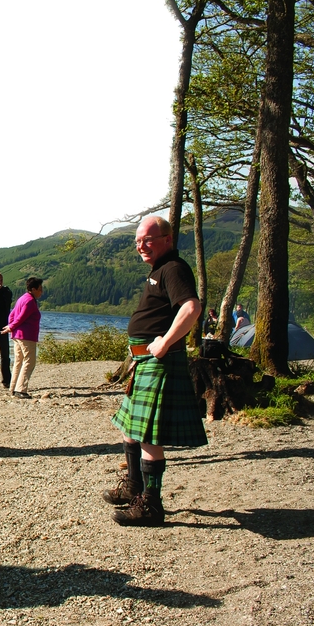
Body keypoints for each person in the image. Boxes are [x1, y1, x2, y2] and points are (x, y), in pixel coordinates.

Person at [103, 215, 206, 527]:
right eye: (138, 241)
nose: (141, 246)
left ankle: (151, 505)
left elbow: (191, 307)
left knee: (148, 438)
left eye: (148, 239)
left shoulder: (173, 268)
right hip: (144, 362)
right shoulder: (159, 269)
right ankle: (133, 487)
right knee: (130, 429)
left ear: (167, 239)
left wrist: (165, 341)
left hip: (158, 362)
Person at [2, 277, 43, 399]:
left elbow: (12, 315)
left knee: (19, 361)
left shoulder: (22, 298)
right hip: (26, 336)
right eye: (40, 289)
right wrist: (11, 327)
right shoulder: (30, 301)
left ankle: (13, 387)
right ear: (33, 289)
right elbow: (21, 317)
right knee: (29, 361)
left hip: (18, 336)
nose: (41, 292)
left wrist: (11, 327)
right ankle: (21, 389)